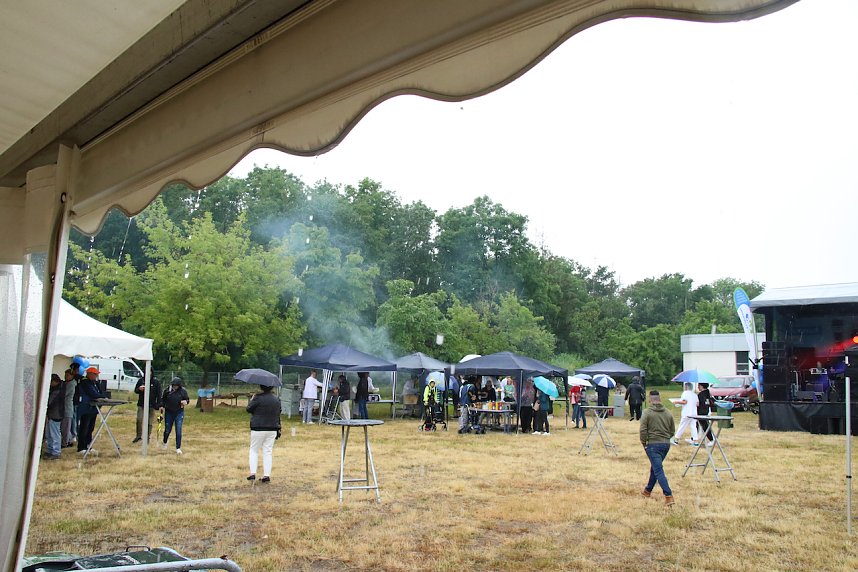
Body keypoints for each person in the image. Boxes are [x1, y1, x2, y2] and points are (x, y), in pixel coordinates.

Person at [640, 390, 676, 506]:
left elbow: (643, 429)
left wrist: (643, 441)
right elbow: (672, 431)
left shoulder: (647, 412)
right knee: (655, 468)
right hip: (666, 444)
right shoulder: (668, 413)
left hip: (653, 445)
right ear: (660, 399)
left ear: (650, 400)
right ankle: (647, 491)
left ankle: (668, 495)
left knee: (658, 470)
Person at [246, 384, 281, 483]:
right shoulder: (276, 399)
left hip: (258, 427)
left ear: (261, 387)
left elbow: (249, 409)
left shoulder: (258, 398)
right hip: (272, 428)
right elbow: (279, 412)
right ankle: (266, 475)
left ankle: (253, 473)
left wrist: (252, 399)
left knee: (254, 450)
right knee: (268, 451)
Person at [76, 366, 105, 453]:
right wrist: (102, 396)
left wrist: (101, 394)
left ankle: (88, 445)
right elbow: (93, 394)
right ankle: (81, 447)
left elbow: (100, 392)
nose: (96, 376)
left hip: (93, 408)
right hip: (86, 408)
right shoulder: (85, 382)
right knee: (84, 427)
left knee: (90, 428)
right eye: (95, 374)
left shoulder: (95, 382)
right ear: (90, 374)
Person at [160, 377, 190, 454]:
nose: (175, 387)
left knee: (178, 429)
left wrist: (185, 402)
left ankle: (178, 447)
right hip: (169, 412)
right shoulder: (167, 390)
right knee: (167, 429)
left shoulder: (183, 391)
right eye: (173, 385)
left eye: (176, 385)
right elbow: (163, 399)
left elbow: (187, 399)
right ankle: (165, 441)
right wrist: (162, 406)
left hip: (179, 412)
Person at [133, 375, 161, 443]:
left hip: (151, 405)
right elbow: (136, 390)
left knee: (149, 422)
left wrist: (159, 404)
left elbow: (159, 393)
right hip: (141, 404)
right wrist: (139, 389)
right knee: (139, 420)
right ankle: (138, 436)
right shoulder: (141, 381)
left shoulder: (156, 382)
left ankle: (147, 438)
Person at [44, 374, 65, 460]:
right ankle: (50, 451)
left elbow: (50, 402)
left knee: (54, 434)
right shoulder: (59, 389)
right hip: (54, 414)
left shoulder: (56, 391)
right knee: (50, 433)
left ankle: (55, 452)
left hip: (55, 415)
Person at [696, 382, 716, 447]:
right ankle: (695, 438)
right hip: (706, 411)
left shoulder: (701, 394)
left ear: (702, 386)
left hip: (702, 412)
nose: (698, 387)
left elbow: (702, 403)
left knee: (705, 426)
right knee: (700, 426)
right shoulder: (707, 393)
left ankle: (711, 440)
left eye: (699, 385)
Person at [61, 368, 77, 448]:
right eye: (65, 375)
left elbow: (64, 394)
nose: (65, 377)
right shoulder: (66, 383)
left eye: (67, 375)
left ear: (72, 376)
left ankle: (67, 441)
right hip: (63, 407)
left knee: (66, 427)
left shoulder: (71, 384)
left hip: (67, 407)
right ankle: (67, 440)